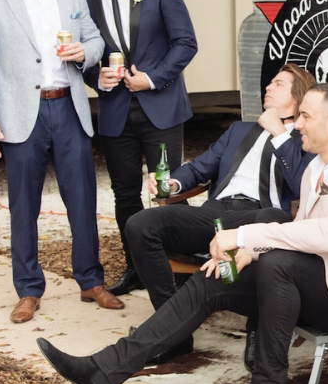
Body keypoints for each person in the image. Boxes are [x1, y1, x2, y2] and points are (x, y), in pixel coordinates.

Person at [38, 83, 328, 384]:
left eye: (305, 116)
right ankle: (105, 369)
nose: (298, 124)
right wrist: (252, 249)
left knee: (279, 263)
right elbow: (302, 230)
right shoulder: (316, 166)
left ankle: (267, 380)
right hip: (308, 280)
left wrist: (245, 237)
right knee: (212, 276)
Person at [117, 64, 313, 364]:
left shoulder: (304, 139)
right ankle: (175, 333)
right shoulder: (238, 130)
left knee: (269, 218)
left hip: (261, 218)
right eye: (269, 83)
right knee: (140, 225)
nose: (268, 88)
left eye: (278, 84)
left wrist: (278, 133)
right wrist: (174, 183)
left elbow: (302, 184)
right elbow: (200, 167)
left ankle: (259, 332)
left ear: (298, 99)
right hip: (216, 215)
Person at [0, 0, 118, 323]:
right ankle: (28, 291)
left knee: (83, 201)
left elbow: (96, 40)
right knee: (23, 208)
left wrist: (85, 52)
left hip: (69, 109)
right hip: (20, 114)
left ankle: (90, 281)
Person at [76, 0, 200, 298]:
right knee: (125, 195)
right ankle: (138, 268)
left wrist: (153, 78)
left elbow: (185, 43)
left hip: (160, 107)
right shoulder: (86, 2)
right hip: (116, 114)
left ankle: (176, 267)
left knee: (166, 189)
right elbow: (84, 60)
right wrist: (99, 79)